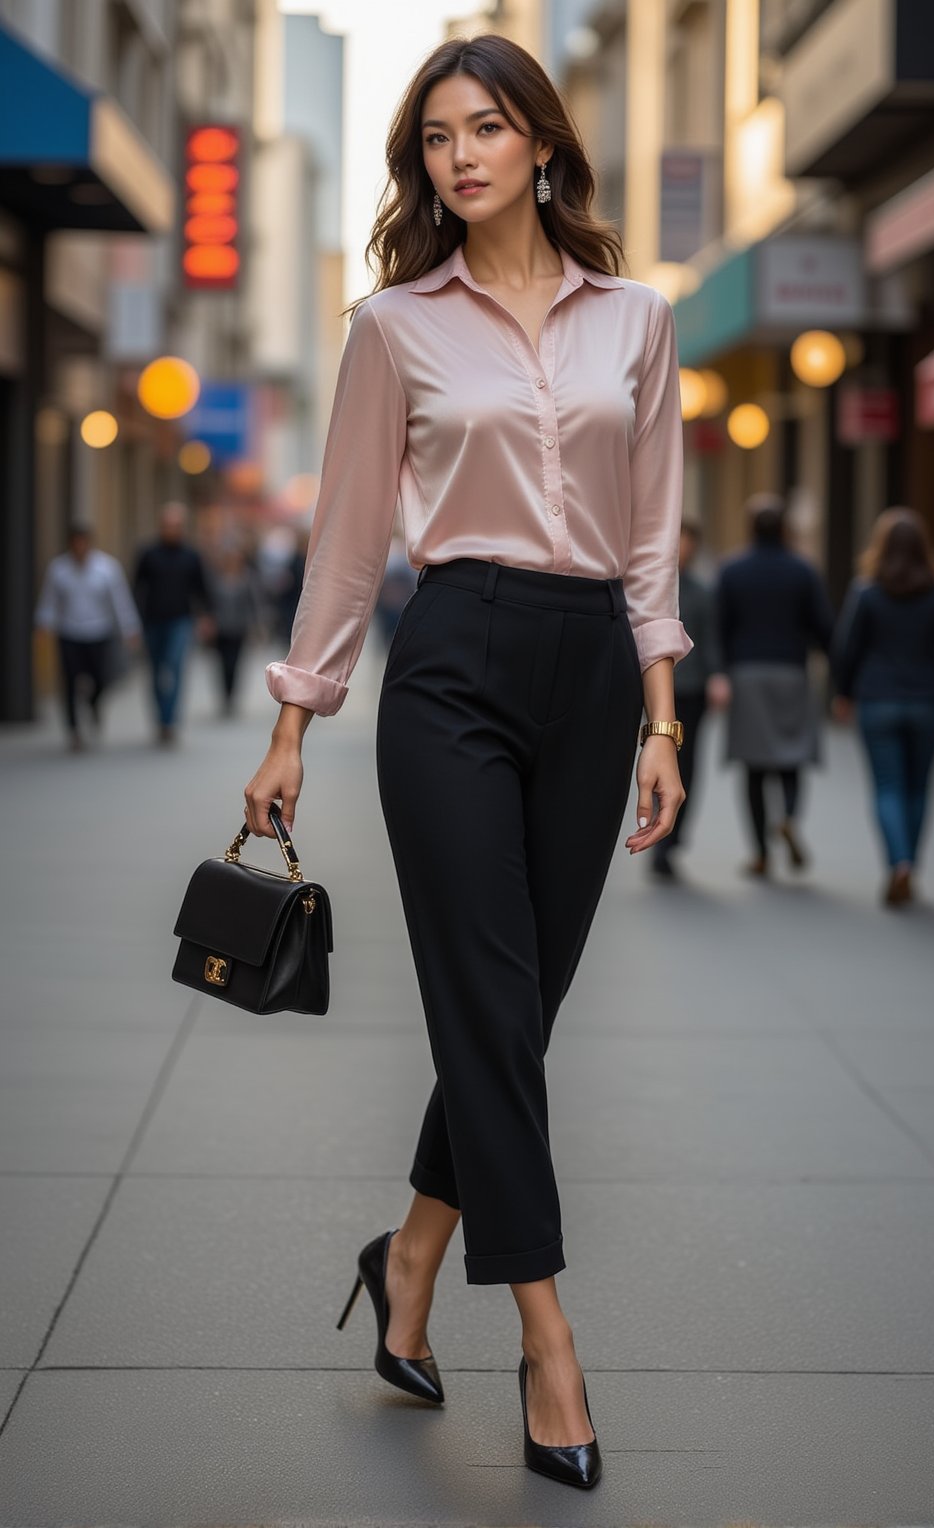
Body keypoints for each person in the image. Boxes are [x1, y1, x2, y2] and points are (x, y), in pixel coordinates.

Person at [242, 34, 692, 1491]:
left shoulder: (637, 320)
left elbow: (651, 539)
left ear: (542, 144)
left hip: (590, 679)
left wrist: (665, 716)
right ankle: (550, 1346)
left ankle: (411, 1255)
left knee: (517, 1011)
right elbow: (349, 540)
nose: (462, 155)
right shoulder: (394, 329)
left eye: (487, 127)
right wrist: (294, 724)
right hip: (451, 667)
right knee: (488, 1003)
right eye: (436, 137)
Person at [831, 507, 934, 906]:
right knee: (918, 787)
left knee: (888, 787)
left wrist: (842, 692)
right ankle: (910, 862)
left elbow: (847, 647)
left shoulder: (866, 591)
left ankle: (898, 864)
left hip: (877, 700)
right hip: (927, 701)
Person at [717, 494, 833, 877]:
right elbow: (823, 626)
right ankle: (789, 817)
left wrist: (720, 672)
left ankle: (761, 854)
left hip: (747, 675)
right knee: (792, 757)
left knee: (753, 768)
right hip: (791, 673)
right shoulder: (803, 571)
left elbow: (720, 627)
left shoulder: (733, 570)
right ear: (785, 528)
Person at [650, 517, 730, 880]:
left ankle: (674, 835)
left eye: (688, 542)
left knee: (690, 765)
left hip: (693, 690)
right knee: (658, 758)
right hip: (656, 691)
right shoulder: (650, 586)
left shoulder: (703, 591)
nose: (683, 548)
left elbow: (713, 638)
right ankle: (658, 837)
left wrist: (717, 676)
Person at [34, 523, 141, 751]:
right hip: (69, 632)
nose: (80, 547)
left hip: (99, 632)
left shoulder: (107, 568)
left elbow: (120, 601)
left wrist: (129, 628)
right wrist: (43, 624)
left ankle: (94, 705)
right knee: (70, 681)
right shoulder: (59, 569)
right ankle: (73, 730)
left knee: (100, 679)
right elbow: (49, 600)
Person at [133, 502, 211, 745]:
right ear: (160, 527)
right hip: (152, 622)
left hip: (181, 621)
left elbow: (201, 589)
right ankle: (160, 718)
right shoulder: (148, 554)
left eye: (176, 526)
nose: (172, 530)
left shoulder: (191, 556)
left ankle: (169, 722)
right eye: (168, 525)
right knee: (157, 673)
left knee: (175, 669)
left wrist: (206, 617)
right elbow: (137, 589)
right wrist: (134, 625)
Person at [206, 541, 263, 716]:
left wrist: (257, 626)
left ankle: (232, 697)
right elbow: (209, 602)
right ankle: (224, 696)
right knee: (222, 664)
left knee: (235, 664)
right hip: (221, 628)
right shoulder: (216, 578)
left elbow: (255, 603)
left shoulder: (247, 578)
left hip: (239, 628)